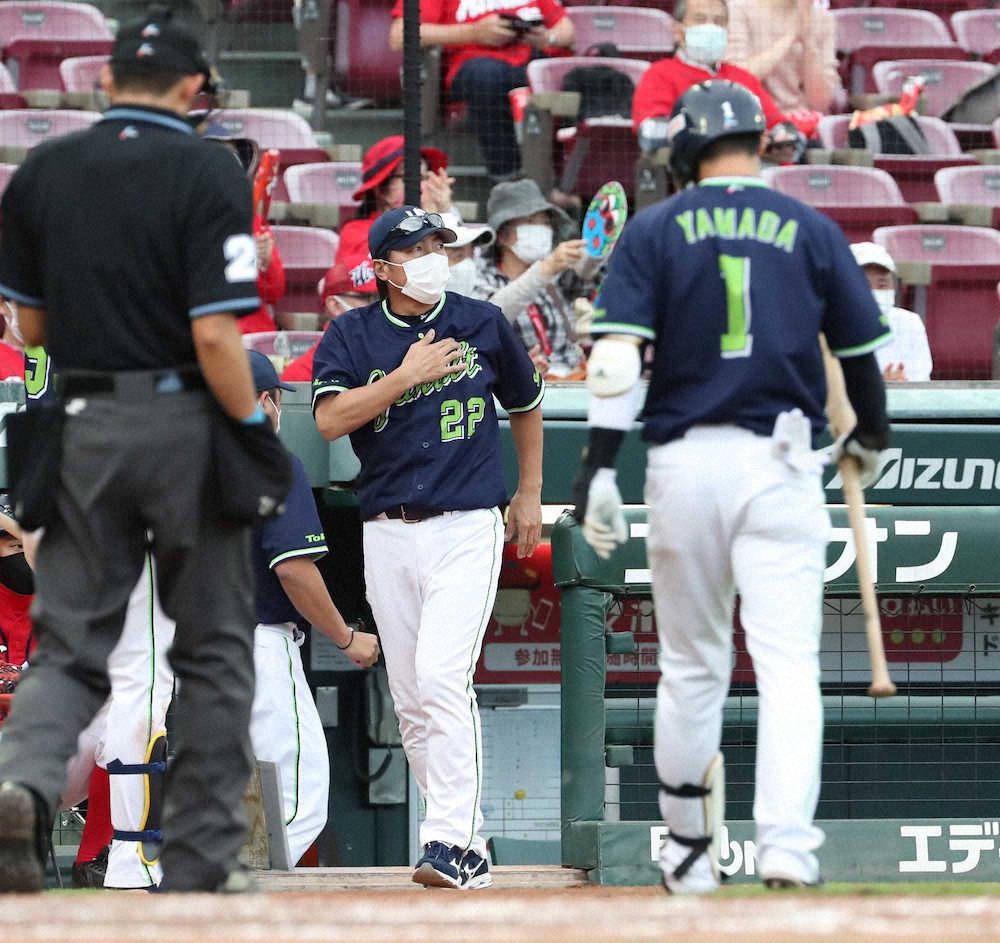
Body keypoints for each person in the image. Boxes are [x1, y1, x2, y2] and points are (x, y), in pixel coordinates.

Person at [573, 80, 891, 893]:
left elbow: (613, 361)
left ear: (685, 152)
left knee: (691, 668)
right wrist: (873, 436)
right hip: (782, 461)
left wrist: (599, 468)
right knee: (790, 666)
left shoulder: (654, 227)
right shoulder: (812, 227)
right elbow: (861, 352)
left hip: (683, 464)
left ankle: (687, 849)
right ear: (761, 142)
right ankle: (787, 847)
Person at [0, 8, 282, 893]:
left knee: (71, 646)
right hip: (182, 424)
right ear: (196, 88)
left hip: (81, 421)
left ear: (107, 78)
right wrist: (246, 432)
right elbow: (215, 337)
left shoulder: (43, 169)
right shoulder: (207, 167)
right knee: (211, 648)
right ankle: (197, 856)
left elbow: (31, 326)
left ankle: (21, 784)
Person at [311, 206, 544, 889]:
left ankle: (455, 841)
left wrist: (528, 489)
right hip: (385, 529)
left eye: (439, 243)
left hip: (467, 523)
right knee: (412, 698)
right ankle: (461, 835)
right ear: (383, 268)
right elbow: (328, 419)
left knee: (444, 678)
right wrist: (402, 377)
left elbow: (526, 402)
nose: (434, 255)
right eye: (418, 247)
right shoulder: (352, 333)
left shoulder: (480, 321)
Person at [246, 350, 379, 864]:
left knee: (214, 795)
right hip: (257, 646)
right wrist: (346, 637)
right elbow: (294, 570)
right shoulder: (271, 462)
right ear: (264, 402)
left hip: (184, 651)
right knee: (296, 801)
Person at [389, 0, 575, 181]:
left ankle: (569, 183)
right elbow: (399, 35)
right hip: (473, 68)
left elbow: (568, 31)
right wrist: (474, 33)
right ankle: (509, 178)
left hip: (528, 63)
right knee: (486, 75)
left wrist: (546, 38)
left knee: (580, 76)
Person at [476, 178, 597, 378]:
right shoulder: (484, 279)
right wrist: (546, 269)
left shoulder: (556, 277)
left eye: (546, 222)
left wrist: (597, 248)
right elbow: (491, 316)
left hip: (574, 382)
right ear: (503, 236)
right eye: (531, 221)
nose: (543, 229)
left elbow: (586, 275)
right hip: (523, 391)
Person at [632, 0, 785, 150]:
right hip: (687, 171)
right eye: (700, 20)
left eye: (718, 21)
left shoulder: (742, 78)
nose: (711, 27)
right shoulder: (659, 74)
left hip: (751, 169)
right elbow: (652, 132)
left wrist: (782, 139)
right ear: (678, 31)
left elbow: (779, 127)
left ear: (727, 31)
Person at [335, 136, 455, 295]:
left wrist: (443, 214)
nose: (422, 186)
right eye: (410, 178)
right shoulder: (356, 232)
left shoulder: (444, 217)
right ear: (380, 189)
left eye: (425, 177)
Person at [725, 0, 842, 116]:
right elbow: (737, 81)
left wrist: (810, 45)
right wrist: (790, 37)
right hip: (754, 120)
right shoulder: (739, 9)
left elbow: (821, 102)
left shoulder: (822, 19)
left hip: (804, 120)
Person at [280, 245, 378, 382]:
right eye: (369, 298)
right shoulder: (302, 373)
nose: (380, 305)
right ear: (335, 305)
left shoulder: (399, 352)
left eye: (383, 296)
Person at [850, 242, 933, 383]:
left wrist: (900, 385)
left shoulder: (910, 323)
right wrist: (878, 386)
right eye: (864, 284)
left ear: (894, 286)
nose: (874, 292)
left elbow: (920, 383)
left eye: (882, 284)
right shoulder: (824, 326)